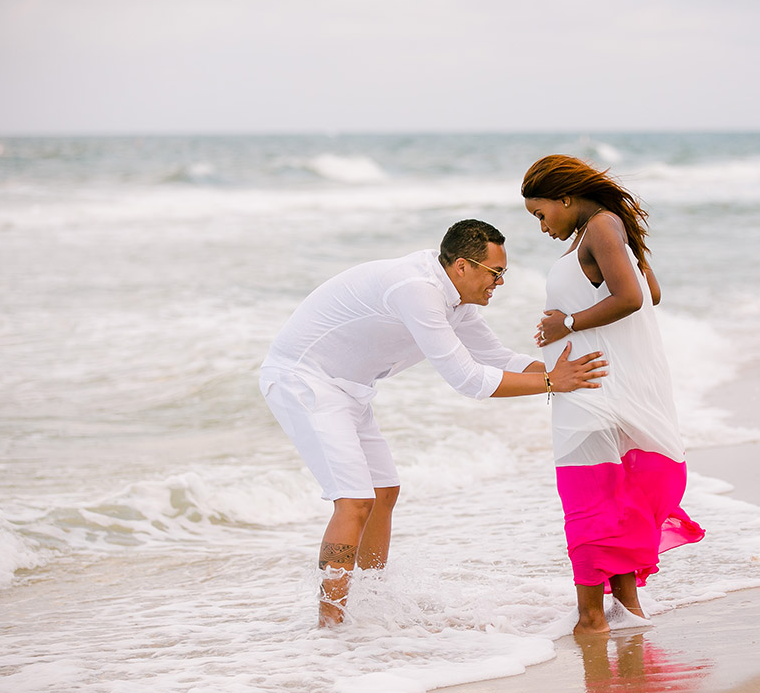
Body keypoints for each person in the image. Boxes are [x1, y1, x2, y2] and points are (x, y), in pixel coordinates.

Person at [259, 218, 607, 627]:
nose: (499, 284)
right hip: (304, 381)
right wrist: (552, 382)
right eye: (495, 274)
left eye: (503, 275)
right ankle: (330, 626)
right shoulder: (417, 291)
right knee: (353, 500)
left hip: (350, 388)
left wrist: (569, 373)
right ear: (462, 266)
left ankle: (369, 603)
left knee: (384, 491)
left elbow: (496, 359)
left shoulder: (456, 300)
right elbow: (469, 380)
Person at [521, 155, 705, 635]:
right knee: (611, 500)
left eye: (541, 214)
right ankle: (625, 611)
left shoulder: (602, 226)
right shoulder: (606, 230)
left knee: (586, 502)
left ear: (565, 198)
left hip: (595, 390)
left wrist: (567, 323)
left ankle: (591, 619)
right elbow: (652, 291)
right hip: (601, 384)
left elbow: (633, 297)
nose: (541, 227)